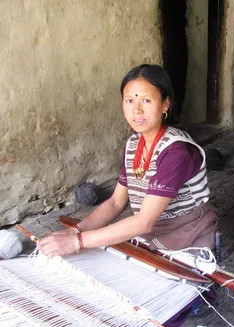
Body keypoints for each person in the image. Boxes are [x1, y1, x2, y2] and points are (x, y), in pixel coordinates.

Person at [38, 64, 218, 257]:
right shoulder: (133, 145)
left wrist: (78, 242)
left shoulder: (177, 152)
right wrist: (75, 231)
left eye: (147, 100)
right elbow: (116, 202)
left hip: (187, 236)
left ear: (165, 105)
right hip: (152, 234)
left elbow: (143, 221)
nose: (137, 110)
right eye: (130, 101)